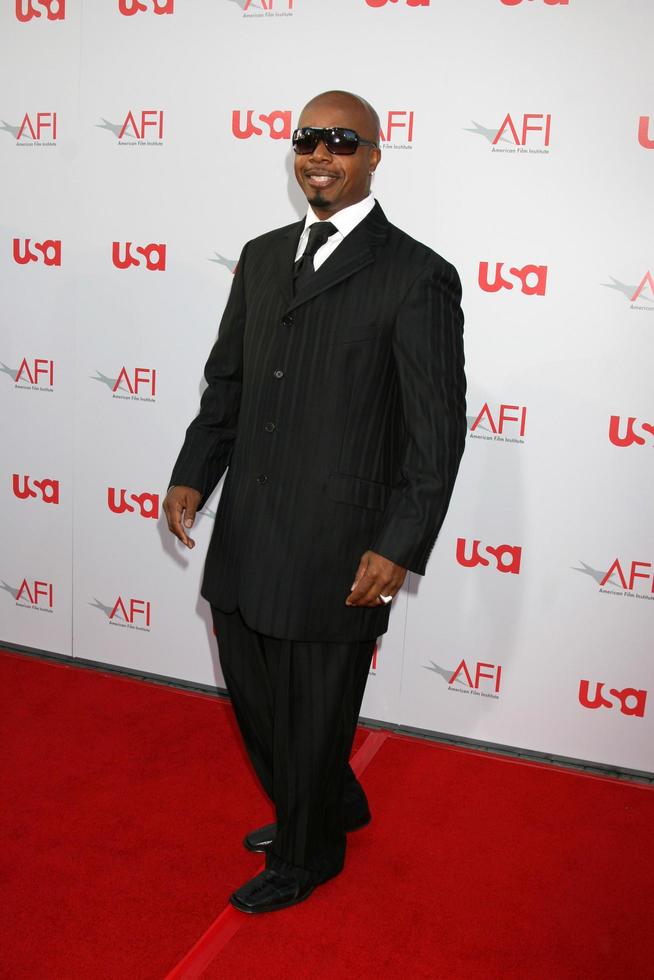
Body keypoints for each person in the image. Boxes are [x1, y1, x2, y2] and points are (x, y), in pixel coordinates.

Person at [164, 90, 467, 914]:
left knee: (312, 705)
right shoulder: (263, 257)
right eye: (307, 140)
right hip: (251, 527)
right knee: (256, 690)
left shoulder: (417, 275)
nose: (319, 155)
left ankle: (310, 853)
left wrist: (399, 542)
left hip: (341, 538)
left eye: (340, 140)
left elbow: (436, 432)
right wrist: (196, 469)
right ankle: (330, 797)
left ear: (374, 152)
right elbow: (227, 381)